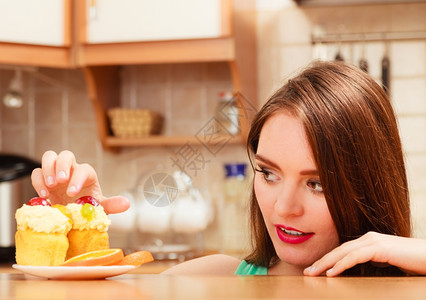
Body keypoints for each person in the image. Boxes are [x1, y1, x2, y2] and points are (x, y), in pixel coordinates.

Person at [31, 61, 426, 276]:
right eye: (269, 173)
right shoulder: (218, 277)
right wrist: (73, 227)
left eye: (318, 183)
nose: (284, 208)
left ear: (368, 186)